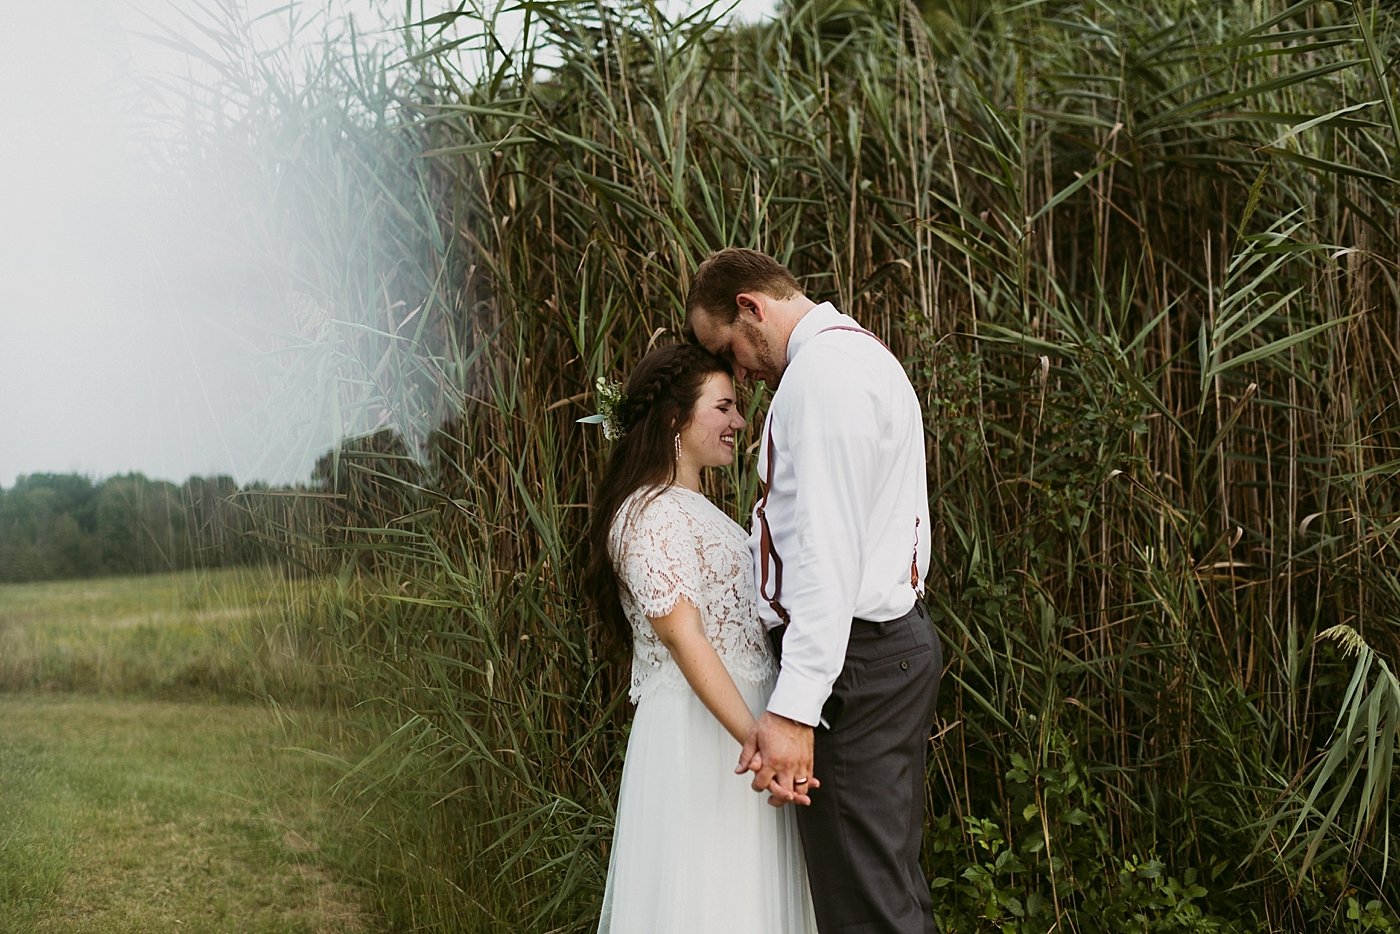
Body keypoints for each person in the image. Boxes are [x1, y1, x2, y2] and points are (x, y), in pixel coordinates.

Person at [685, 248, 942, 934]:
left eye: (729, 347)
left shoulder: (820, 379)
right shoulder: (855, 357)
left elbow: (827, 555)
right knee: (886, 889)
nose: (739, 368)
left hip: (856, 661)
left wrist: (797, 710)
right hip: (878, 651)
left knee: (866, 908)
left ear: (751, 307)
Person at [583, 342, 818, 934]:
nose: (739, 421)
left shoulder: (696, 510)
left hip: (742, 730)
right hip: (706, 736)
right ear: (674, 420)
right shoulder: (648, 513)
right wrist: (757, 740)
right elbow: (686, 638)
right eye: (724, 407)